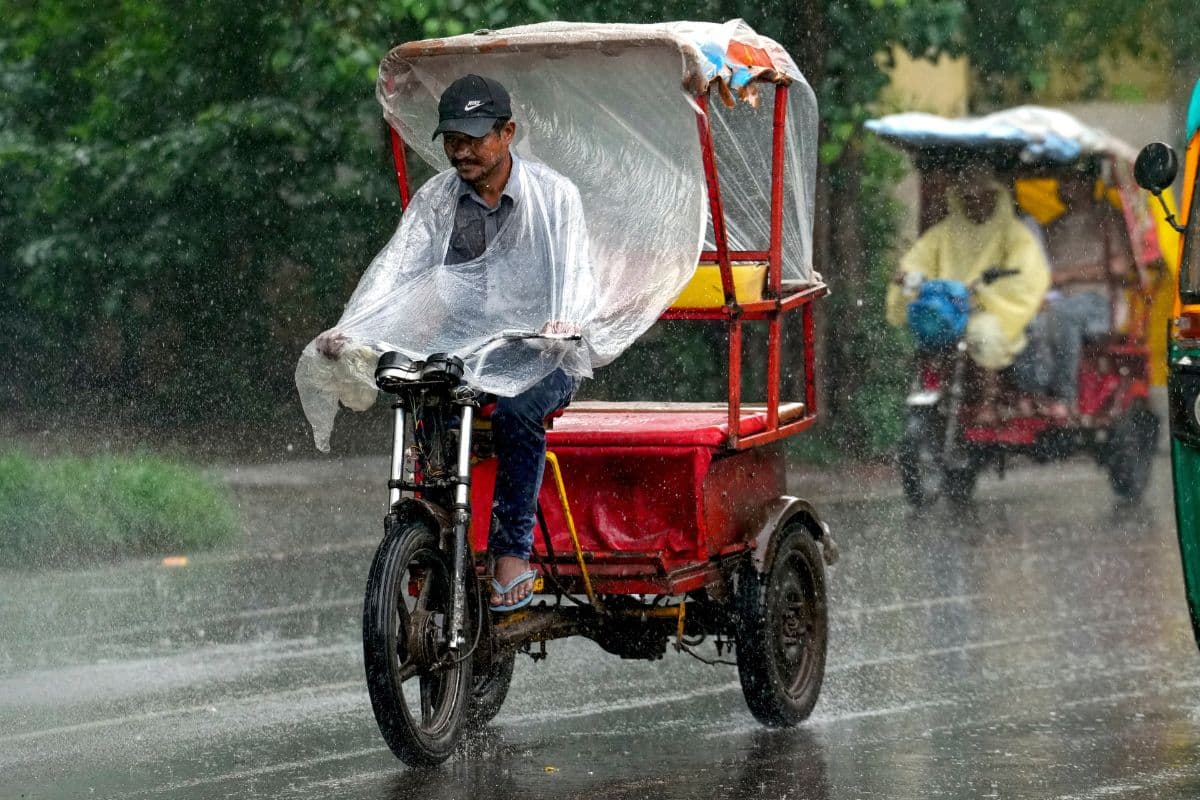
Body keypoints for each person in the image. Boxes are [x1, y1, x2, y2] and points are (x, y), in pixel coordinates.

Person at [316, 75, 587, 612]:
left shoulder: (553, 197)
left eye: (474, 137)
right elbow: (397, 273)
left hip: (542, 352)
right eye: (451, 139)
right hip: (464, 351)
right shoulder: (438, 200)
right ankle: (433, 535)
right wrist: (356, 325)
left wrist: (564, 320)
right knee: (417, 396)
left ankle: (512, 553)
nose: (460, 150)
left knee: (516, 413)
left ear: (507, 133)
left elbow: (576, 275)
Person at [886, 161, 1051, 420]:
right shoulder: (944, 233)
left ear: (994, 196)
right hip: (947, 309)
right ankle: (931, 390)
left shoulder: (1015, 234)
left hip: (988, 311)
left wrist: (989, 294)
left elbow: (1026, 275)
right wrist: (907, 275)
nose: (974, 202)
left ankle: (988, 400)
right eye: (968, 197)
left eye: (980, 196)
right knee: (926, 333)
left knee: (984, 333)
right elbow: (919, 259)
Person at [1014, 168, 1135, 418]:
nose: (1062, 185)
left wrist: (1068, 275)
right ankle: (1030, 392)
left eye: (1069, 179)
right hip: (1055, 301)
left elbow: (1122, 265)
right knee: (1019, 316)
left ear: (1088, 183)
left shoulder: (1107, 219)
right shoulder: (1052, 226)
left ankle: (1063, 397)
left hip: (1100, 302)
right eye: (1062, 178)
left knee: (1062, 313)